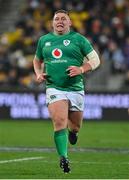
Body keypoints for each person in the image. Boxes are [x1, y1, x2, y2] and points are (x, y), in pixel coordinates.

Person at [33, 9, 100, 173]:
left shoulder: (78, 39)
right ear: (52, 23)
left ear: (70, 22)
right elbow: (37, 60)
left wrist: (81, 69)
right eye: (57, 19)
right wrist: (38, 74)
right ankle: (64, 157)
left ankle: (74, 133)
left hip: (75, 88)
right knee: (59, 122)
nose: (60, 21)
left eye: (64, 19)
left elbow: (95, 60)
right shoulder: (44, 40)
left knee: (75, 126)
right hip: (54, 87)